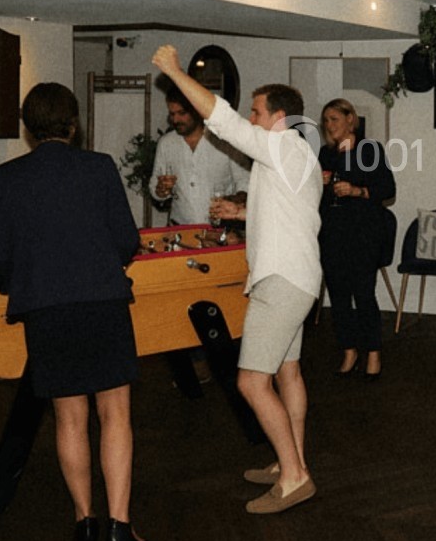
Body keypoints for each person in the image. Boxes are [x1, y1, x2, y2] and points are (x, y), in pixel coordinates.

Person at [152, 45, 322, 515]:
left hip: (282, 280)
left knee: (250, 382)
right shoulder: (298, 156)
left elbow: (221, 119)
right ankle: (293, 459)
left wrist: (173, 71)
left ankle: (294, 476)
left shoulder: (283, 144)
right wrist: (243, 211)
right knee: (287, 371)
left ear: (279, 117)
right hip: (299, 277)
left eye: (257, 111)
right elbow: (290, 212)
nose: (251, 117)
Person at [0, 83, 148, 541]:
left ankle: (85, 523)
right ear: (73, 124)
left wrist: (30, 280)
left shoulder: (7, 176)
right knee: (115, 414)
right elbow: (127, 240)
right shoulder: (98, 167)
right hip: (102, 301)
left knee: (69, 417)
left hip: (46, 309)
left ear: (28, 126)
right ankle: (120, 527)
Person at [317, 98, 395, 379]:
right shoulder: (326, 154)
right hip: (333, 233)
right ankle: (348, 349)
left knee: (363, 294)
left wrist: (357, 191)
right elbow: (315, 197)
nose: (329, 125)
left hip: (364, 233)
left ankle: (373, 351)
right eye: (326, 120)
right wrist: (319, 185)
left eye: (335, 119)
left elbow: (387, 188)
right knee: (338, 296)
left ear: (351, 120)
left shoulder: (369, 149)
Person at [151, 85, 250, 226]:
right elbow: (155, 185)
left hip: (221, 228)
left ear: (197, 111)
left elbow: (245, 181)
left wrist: (232, 199)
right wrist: (160, 190)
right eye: (172, 114)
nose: (175, 120)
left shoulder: (224, 140)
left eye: (182, 113)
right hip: (180, 227)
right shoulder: (166, 143)